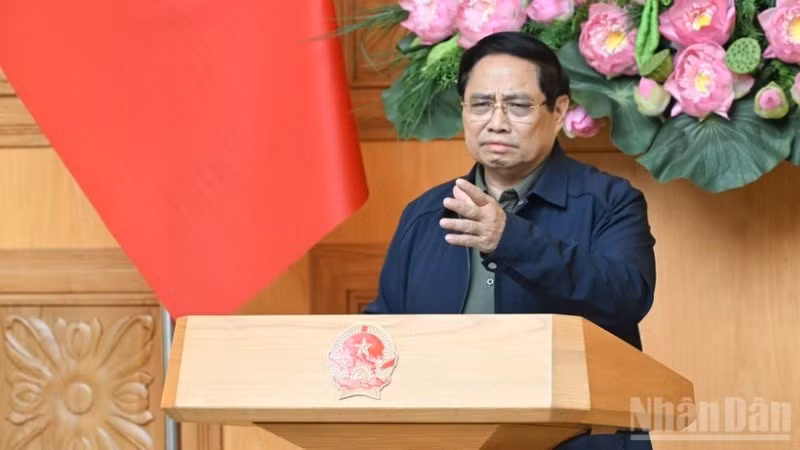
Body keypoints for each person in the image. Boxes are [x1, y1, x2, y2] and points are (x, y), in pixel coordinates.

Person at [363, 31, 656, 450]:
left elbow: (627, 297)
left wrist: (511, 239)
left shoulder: (610, 201)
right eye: (481, 104)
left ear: (558, 111)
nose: (496, 121)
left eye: (517, 105)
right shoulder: (426, 214)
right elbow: (384, 329)